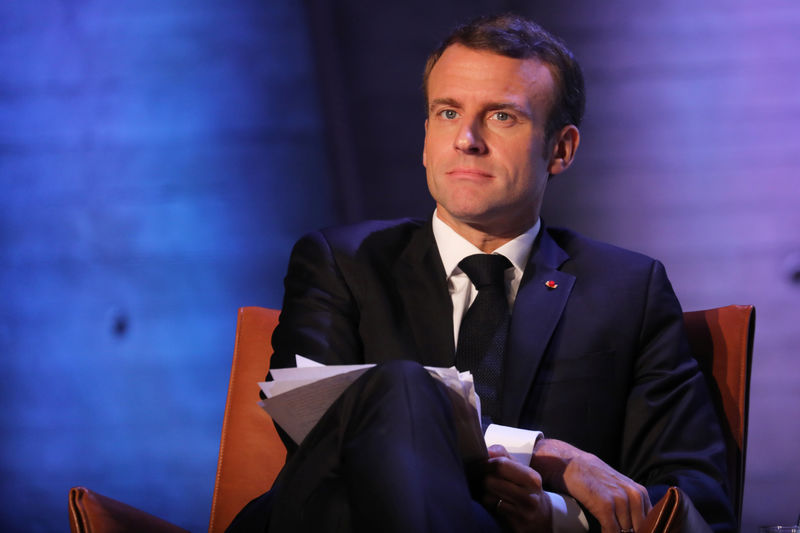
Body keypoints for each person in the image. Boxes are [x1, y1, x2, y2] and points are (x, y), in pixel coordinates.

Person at [229, 14, 735, 533]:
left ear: (560, 149)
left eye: (501, 117)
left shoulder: (628, 291)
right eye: (448, 112)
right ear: (426, 138)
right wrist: (544, 454)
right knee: (401, 387)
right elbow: (318, 427)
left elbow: (697, 497)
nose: (466, 139)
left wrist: (556, 516)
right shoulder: (341, 261)